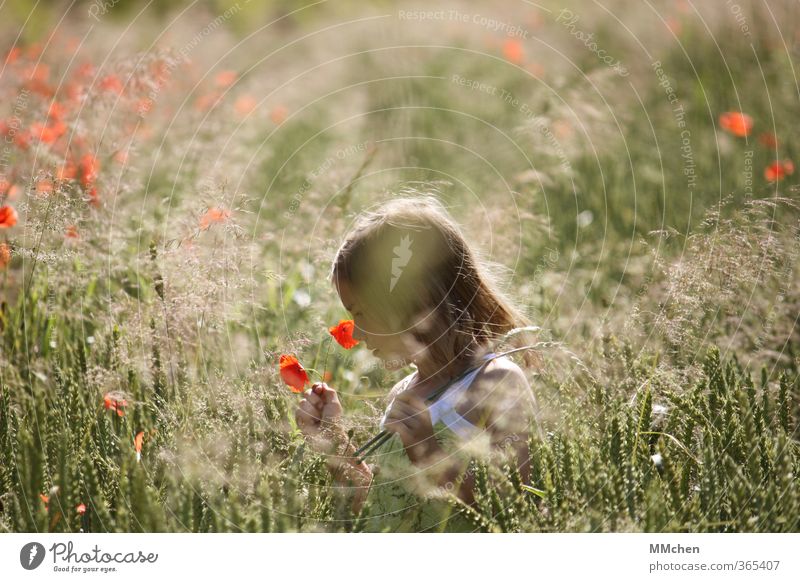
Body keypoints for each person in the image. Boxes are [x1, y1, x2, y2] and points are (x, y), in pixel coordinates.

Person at [295, 194, 541, 532]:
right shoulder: (404, 391)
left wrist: (429, 454)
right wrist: (334, 442)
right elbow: (383, 506)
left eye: (361, 314)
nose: (358, 333)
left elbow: (518, 508)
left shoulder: (495, 382)